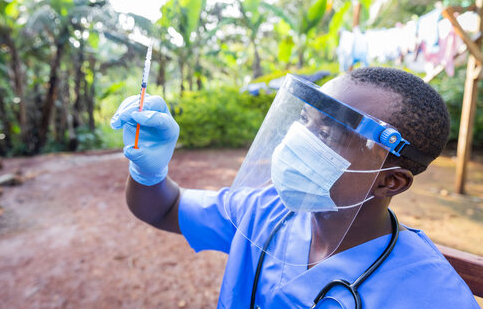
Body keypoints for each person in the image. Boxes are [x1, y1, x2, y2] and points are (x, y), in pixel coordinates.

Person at [111, 67, 480, 308]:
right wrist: (148, 171)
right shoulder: (266, 211)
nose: (301, 138)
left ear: (390, 181)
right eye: (306, 119)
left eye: (328, 132)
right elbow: (164, 207)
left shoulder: (433, 295)